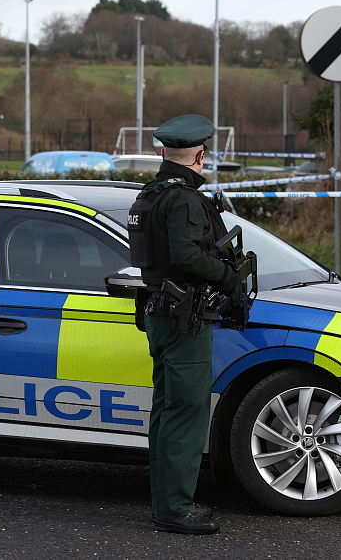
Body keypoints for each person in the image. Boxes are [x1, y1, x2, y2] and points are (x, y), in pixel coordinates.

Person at [128, 114, 240, 535]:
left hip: (161, 312)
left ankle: (170, 501)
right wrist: (228, 278)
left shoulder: (151, 193)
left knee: (167, 410)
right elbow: (188, 257)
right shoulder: (185, 199)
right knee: (186, 413)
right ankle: (175, 509)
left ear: (162, 152)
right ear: (201, 155)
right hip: (184, 317)